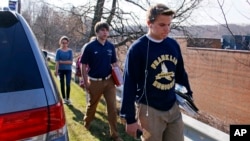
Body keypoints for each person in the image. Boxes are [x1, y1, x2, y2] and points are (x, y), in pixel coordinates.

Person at [120, 3, 193, 141]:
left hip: (172, 106)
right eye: (162, 25)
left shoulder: (173, 45)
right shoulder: (137, 49)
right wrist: (130, 119)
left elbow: (180, 73)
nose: (167, 29)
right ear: (149, 23)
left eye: (169, 24)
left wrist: (188, 94)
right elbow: (129, 84)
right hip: (149, 109)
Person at [80, 21, 123, 141]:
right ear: (97, 32)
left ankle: (115, 134)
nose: (105, 33)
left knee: (112, 108)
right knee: (92, 106)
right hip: (94, 82)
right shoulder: (90, 47)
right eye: (103, 30)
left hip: (109, 82)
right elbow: (83, 65)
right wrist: (85, 81)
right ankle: (87, 122)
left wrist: (119, 75)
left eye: (107, 30)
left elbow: (114, 62)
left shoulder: (110, 46)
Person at [55, 36, 73, 105]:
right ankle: (64, 98)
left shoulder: (70, 51)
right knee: (62, 84)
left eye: (65, 43)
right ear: (60, 43)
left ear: (68, 43)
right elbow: (57, 62)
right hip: (60, 70)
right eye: (63, 43)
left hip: (68, 70)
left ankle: (68, 98)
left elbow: (71, 62)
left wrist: (61, 61)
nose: (64, 44)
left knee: (68, 84)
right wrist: (56, 71)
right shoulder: (58, 51)